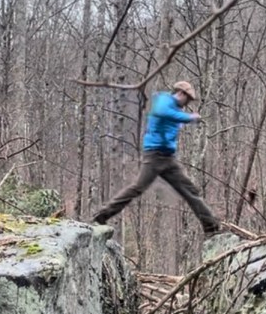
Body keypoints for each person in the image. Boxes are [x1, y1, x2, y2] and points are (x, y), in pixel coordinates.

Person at [91, 81, 220, 234]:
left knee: (189, 190)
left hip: (168, 159)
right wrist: (189, 117)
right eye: (188, 99)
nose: (187, 104)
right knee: (137, 188)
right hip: (154, 156)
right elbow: (162, 112)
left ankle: (211, 226)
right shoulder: (165, 101)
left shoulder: (175, 109)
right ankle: (102, 215)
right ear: (181, 94)